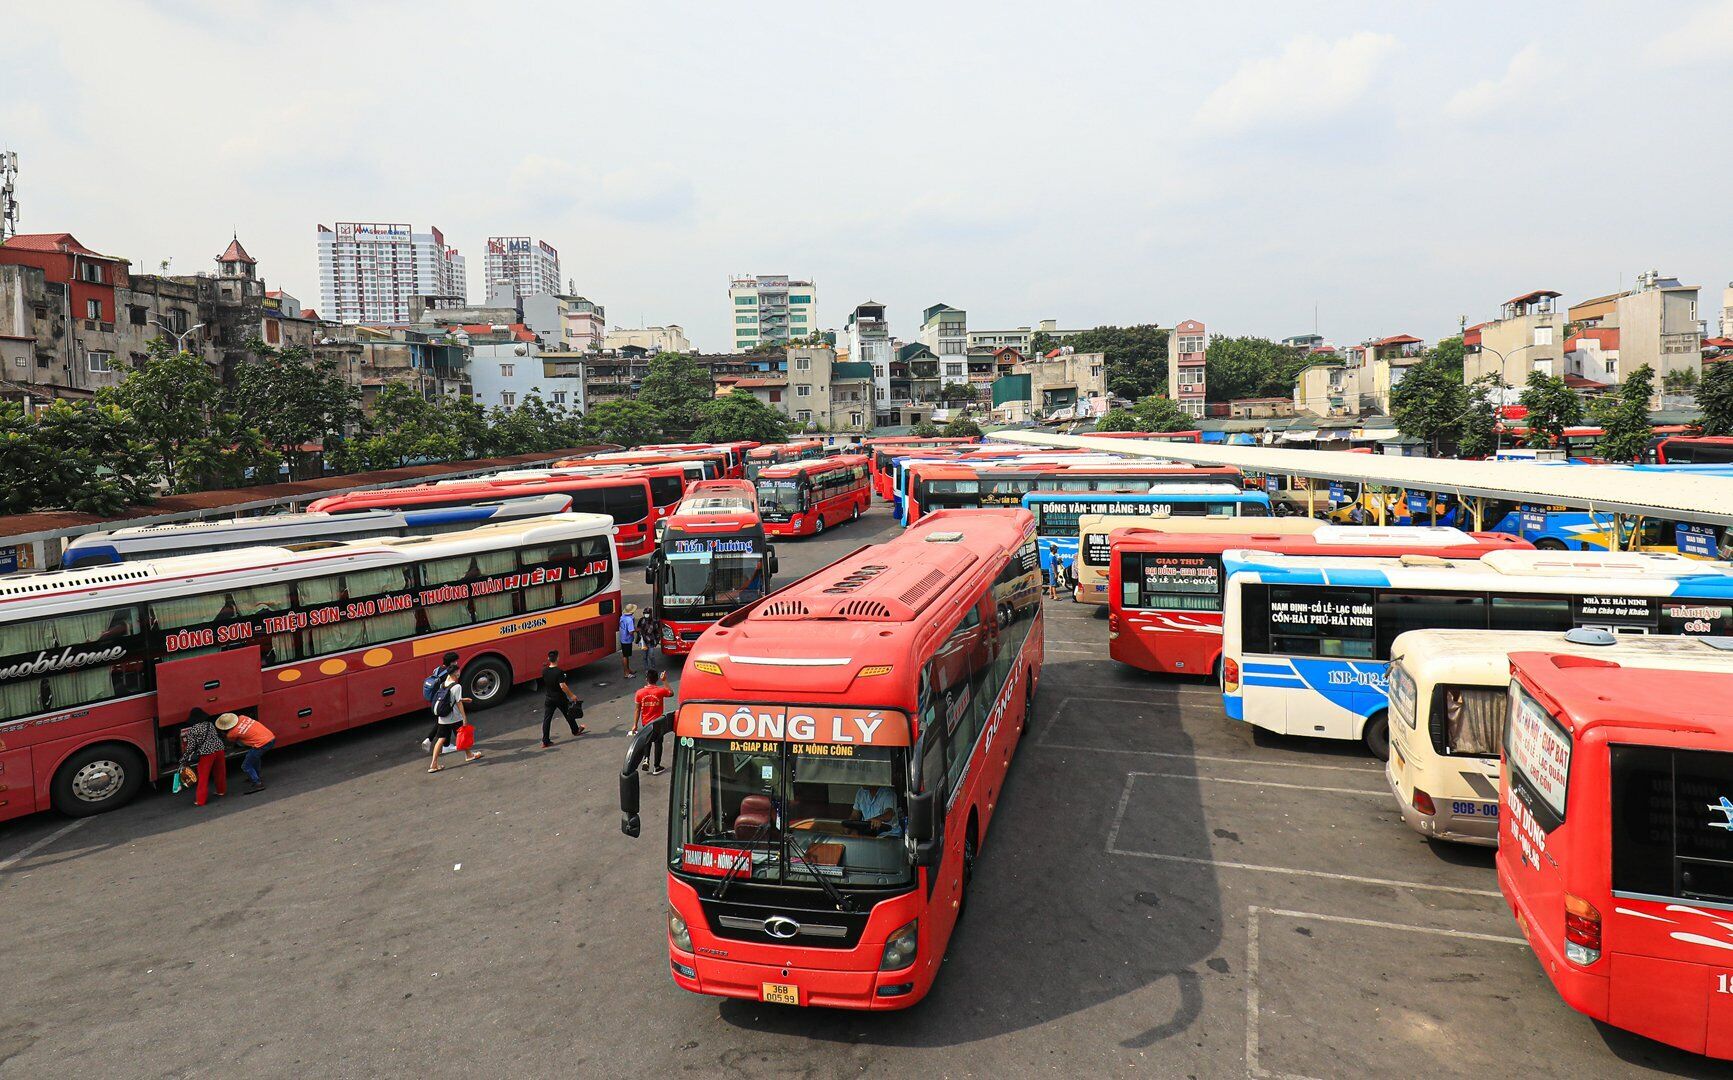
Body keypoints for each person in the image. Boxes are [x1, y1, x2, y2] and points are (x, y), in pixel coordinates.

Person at [428, 669, 482, 772]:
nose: (459, 673)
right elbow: (458, 703)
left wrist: (464, 699)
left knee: (441, 739)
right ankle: (469, 755)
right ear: (455, 674)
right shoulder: (457, 686)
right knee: (462, 736)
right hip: (454, 717)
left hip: (442, 717)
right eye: (458, 671)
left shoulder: (443, 684)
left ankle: (433, 764)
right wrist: (464, 717)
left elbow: (450, 698)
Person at [177, 708, 228, 807]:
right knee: (220, 772)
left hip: (207, 753)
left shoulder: (193, 730)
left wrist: (183, 758)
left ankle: (200, 800)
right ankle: (221, 791)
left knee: (203, 777)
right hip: (219, 749)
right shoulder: (210, 725)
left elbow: (191, 747)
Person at [216, 711, 275, 794]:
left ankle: (257, 783)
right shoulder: (243, 717)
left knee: (246, 766)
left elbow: (232, 742)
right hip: (270, 737)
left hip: (261, 744)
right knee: (255, 758)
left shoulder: (231, 734)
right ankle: (256, 775)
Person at [539, 650, 587, 748]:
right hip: (559, 698)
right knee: (568, 714)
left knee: (547, 719)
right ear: (557, 658)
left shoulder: (544, 671)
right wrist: (572, 695)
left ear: (548, 659)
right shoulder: (559, 672)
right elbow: (562, 686)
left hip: (549, 698)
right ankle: (575, 730)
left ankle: (545, 741)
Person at [633, 669, 673, 775]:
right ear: (656, 679)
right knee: (658, 743)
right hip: (658, 722)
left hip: (646, 723)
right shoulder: (660, 691)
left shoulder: (639, 693)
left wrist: (635, 725)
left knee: (647, 741)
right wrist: (664, 680)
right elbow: (671, 693)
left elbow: (637, 710)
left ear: (646, 679)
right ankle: (657, 766)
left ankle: (646, 759)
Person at [422, 652, 461, 751]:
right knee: (446, 722)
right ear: (451, 663)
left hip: (435, 700)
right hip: (444, 701)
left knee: (442, 722)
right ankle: (444, 745)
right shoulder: (448, 673)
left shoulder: (437, 669)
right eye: (455, 661)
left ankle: (432, 741)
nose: (456, 663)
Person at [618, 604, 639, 677]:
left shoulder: (622, 617)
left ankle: (628, 669)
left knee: (626, 656)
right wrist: (637, 630)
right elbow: (631, 631)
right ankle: (626, 673)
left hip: (623, 638)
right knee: (625, 656)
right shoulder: (629, 620)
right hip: (627, 640)